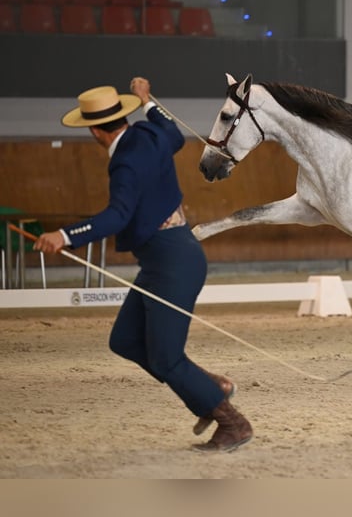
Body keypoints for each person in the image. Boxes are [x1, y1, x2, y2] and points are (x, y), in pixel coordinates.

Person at [33, 78, 252, 452]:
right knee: (126, 341)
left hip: (172, 262)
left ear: (94, 131)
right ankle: (210, 389)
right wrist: (147, 101)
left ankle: (232, 423)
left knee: (166, 358)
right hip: (165, 260)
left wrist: (65, 236)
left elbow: (118, 216)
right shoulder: (149, 133)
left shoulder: (125, 162)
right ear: (122, 117)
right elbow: (175, 133)